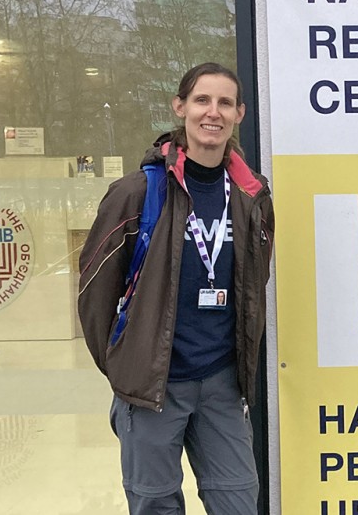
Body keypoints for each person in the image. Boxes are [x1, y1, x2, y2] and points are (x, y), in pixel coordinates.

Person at [78, 62, 274, 514]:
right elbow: (95, 292)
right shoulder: (136, 192)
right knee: (155, 506)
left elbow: (252, 283)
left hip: (222, 384)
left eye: (225, 102)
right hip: (152, 389)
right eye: (202, 100)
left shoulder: (251, 196)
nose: (213, 112)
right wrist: (125, 365)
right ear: (180, 107)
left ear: (240, 113)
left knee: (239, 501)